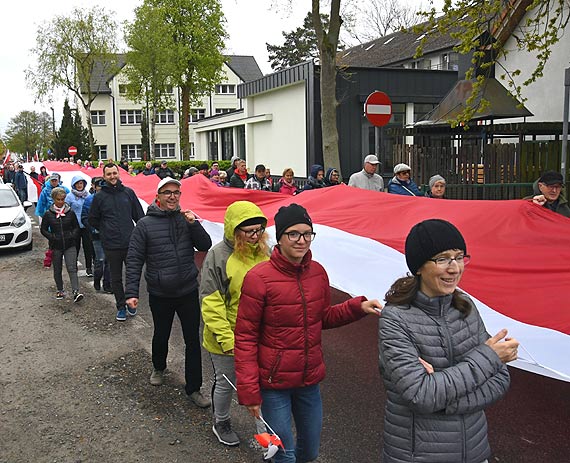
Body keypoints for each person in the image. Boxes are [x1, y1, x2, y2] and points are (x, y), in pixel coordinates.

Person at [234, 203, 382, 463]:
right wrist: (249, 392)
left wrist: (357, 307)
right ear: (279, 237)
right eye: (293, 234)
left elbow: (323, 317)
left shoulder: (318, 273)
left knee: (310, 452)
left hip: (308, 381)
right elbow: (245, 337)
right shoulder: (258, 278)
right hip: (272, 385)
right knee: (282, 453)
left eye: (307, 234)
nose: (301, 241)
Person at [378, 219, 518, 463]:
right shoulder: (396, 318)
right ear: (419, 266)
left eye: (459, 257)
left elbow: (500, 379)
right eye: (442, 259)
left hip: (474, 450)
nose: (454, 268)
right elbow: (421, 394)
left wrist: (441, 399)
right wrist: (489, 357)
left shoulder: (465, 306)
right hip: (417, 456)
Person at [126, 177, 212, 408]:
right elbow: (134, 259)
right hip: (160, 293)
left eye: (176, 192)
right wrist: (131, 292)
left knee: (193, 340)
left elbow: (205, 245)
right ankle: (159, 367)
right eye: (167, 192)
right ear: (158, 196)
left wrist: (194, 224)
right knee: (161, 333)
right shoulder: (144, 225)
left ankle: (193, 388)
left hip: (187, 290)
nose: (172, 196)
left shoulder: (186, 220)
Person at [200, 200, 271, 447]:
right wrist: (228, 340)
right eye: (248, 231)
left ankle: (266, 435)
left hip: (260, 335)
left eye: (259, 230)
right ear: (233, 230)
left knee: (259, 384)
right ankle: (221, 421)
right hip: (226, 337)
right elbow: (211, 302)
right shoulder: (217, 256)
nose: (255, 236)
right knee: (227, 381)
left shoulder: (266, 252)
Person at [88, 163, 145, 321]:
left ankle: (131, 302)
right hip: (111, 244)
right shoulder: (99, 197)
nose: (112, 177)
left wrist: (142, 236)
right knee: (116, 277)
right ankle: (120, 306)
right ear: (104, 176)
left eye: (115, 173)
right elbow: (92, 219)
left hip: (130, 242)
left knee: (133, 274)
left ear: (119, 174)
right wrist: (105, 230)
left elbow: (139, 216)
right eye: (109, 174)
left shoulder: (128, 193)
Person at [40, 187, 84, 303]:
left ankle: (76, 291)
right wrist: (52, 237)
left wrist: (72, 235)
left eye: (63, 199)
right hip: (56, 245)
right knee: (57, 269)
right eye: (58, 199)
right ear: (54, 199)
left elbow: (76, 227)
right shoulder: (48, 214)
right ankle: (60, 289)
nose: (61, 202)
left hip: (70, 244)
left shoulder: (70, 212)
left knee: (72, 268)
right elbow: (43, 229)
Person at [81, 177, 112, 293]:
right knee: (100, 260)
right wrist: (93, 229)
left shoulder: (110, 199)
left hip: (109, 235)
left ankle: (107, 284)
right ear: (94, 187)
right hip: (97, 235)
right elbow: (84, 217)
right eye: (98, 187)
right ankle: (97, 278)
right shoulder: (89, 200)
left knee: (109, 261)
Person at [66, 176, 94, 276]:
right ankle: (74, 266)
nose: (79, 185)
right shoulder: (69, 196)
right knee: (75, 247)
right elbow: (66, 210)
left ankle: (89, 268)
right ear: (74, 184)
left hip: (86, 225)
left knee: (88, 248)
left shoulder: (88, 195)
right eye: (77, 183)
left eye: (81, 183)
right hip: (75, 226)